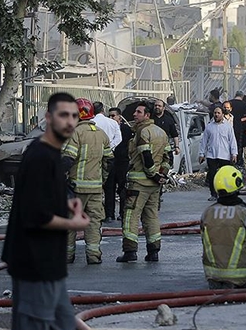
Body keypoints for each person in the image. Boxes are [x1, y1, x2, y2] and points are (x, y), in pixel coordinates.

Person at [2, 92, 90, 330]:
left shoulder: (51, 154)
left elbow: (41, 198)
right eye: (63, 115)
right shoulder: (40, 156)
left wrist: (66, 203)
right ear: (48, 118)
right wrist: (74, 224)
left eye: (74, 116)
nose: (70, 122)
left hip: (50, 266)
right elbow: (34, 216)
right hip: (34, 265)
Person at [117, 102, 171, 263]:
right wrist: (162, 175)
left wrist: (153, 174)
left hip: (138, 184)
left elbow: (145, 156)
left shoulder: (142, 132)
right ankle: (153, 251)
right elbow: (168, 158)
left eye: (138, 112)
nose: (135, 115)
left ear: (147, 115)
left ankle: (130, 251)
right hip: (155, 186)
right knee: (152, 216)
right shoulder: (161, 133)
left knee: (130, 216)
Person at [201, 165, 246, 290]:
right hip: (242, 275)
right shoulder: (245, 213)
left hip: (213, 276)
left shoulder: (207, 213)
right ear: (237, 183)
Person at [62, 98, 113, 265]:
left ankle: (67, 256)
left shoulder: (75, 133)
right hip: (96, 188)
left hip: (76, 188)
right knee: (93, 222)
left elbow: (68, 159)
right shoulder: (101, 134)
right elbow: (109, 161)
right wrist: (102, 179)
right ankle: (93, 255)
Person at [199, 106, 238, 201]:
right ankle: (213, 194)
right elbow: (204, 141)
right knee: (212, 175)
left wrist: (234, 154)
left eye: (218, 113)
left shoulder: (228, 126)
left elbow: (232, 140)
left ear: (222, 114)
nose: (216, 115)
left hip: (224, 155)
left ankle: (224, 194)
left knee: (224, 176)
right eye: (215, 113)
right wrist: (201, 154)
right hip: (212, 155)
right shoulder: (209, 127)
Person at [105, 107, 132, 222]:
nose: (111, 118)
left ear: (119, 117)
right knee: (109, 189)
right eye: (109, 116)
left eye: (113, 116)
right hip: (110, 162)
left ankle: (122, 213)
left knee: (122, 189)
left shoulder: (126, 129)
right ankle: (109, 214)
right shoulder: (108, 129)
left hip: (122, 162)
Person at [229, 91, 246, 168]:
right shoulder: (244, 104)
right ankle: (238, 160)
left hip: (230, 125)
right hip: (240, 127)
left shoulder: (230, 102)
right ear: (242, 96)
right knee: (238, 144)